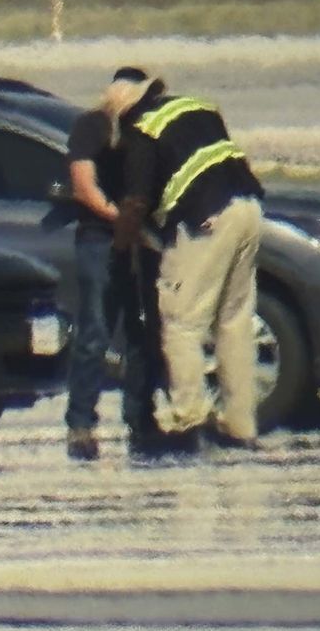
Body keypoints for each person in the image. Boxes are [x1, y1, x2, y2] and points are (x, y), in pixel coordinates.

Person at [113, 73, 265, 453]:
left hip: (207, 218)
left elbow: (137, 200)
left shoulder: (142, 128)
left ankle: (189, 421)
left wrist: (122, 243)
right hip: (249, 208)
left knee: (182, 322)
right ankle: (239, 425)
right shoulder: (196, 106)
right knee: (234, 320)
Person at [67, 68, 171, 461]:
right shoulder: (91, 126)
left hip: (143, 238)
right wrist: (120, 219)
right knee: (94, 331)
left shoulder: (147, 130)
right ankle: (80, 423)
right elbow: (83, 184)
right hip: (100, 237)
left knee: (143, 329)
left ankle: (141, 417)